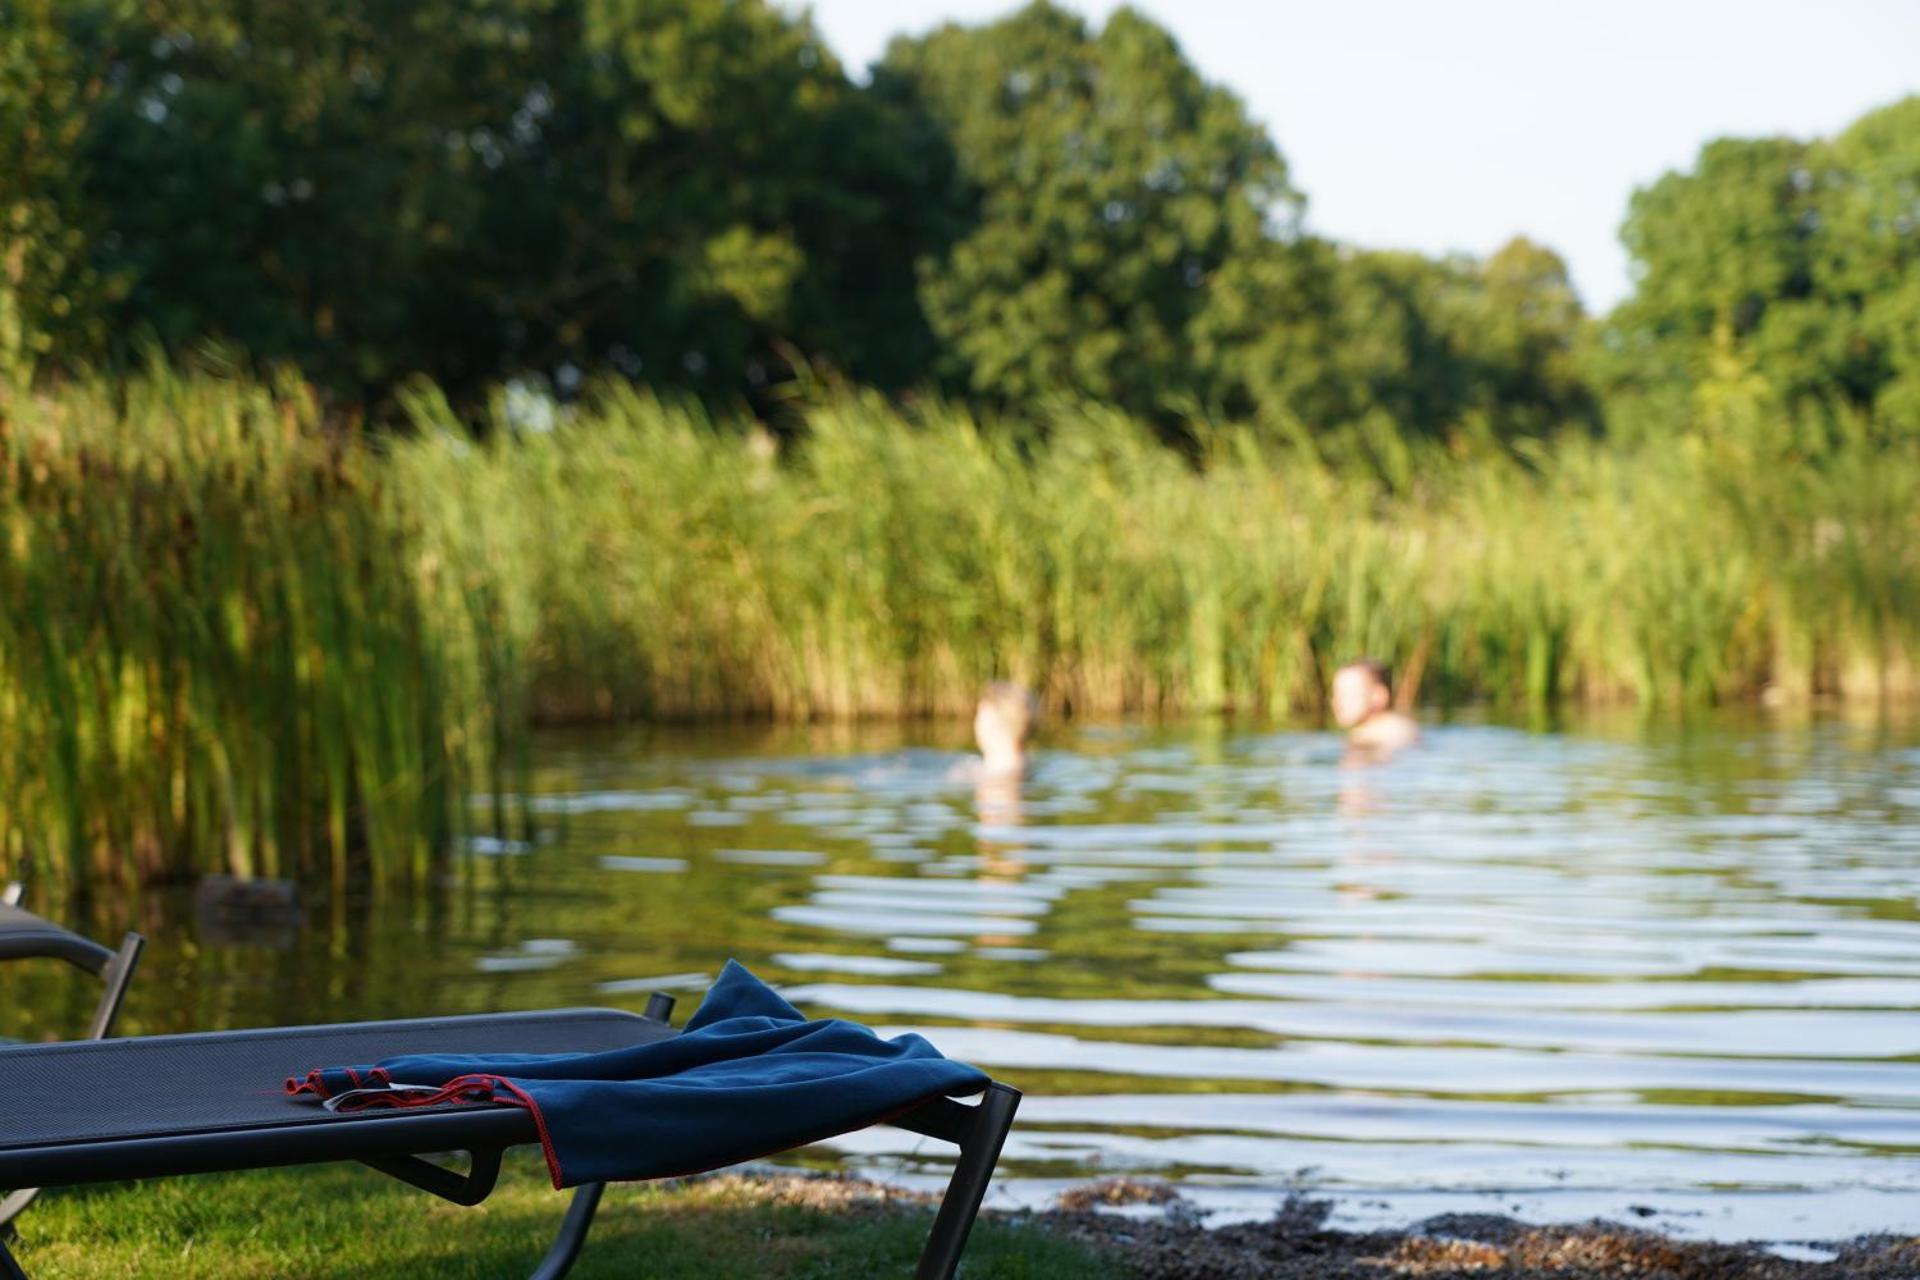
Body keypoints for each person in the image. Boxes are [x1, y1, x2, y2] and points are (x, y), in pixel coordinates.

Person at [1331, 658, 1419, 759]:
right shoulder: (1399, 725)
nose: (1337, 701)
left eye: (1348, 694)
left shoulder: (1387, 729)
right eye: (1336, 694)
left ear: (1378, 696)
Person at [973, 681, 1039, 779]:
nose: (975, 723)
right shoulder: (1028, 764)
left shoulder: (997, 775)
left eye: (978, 715)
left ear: (991, 725)